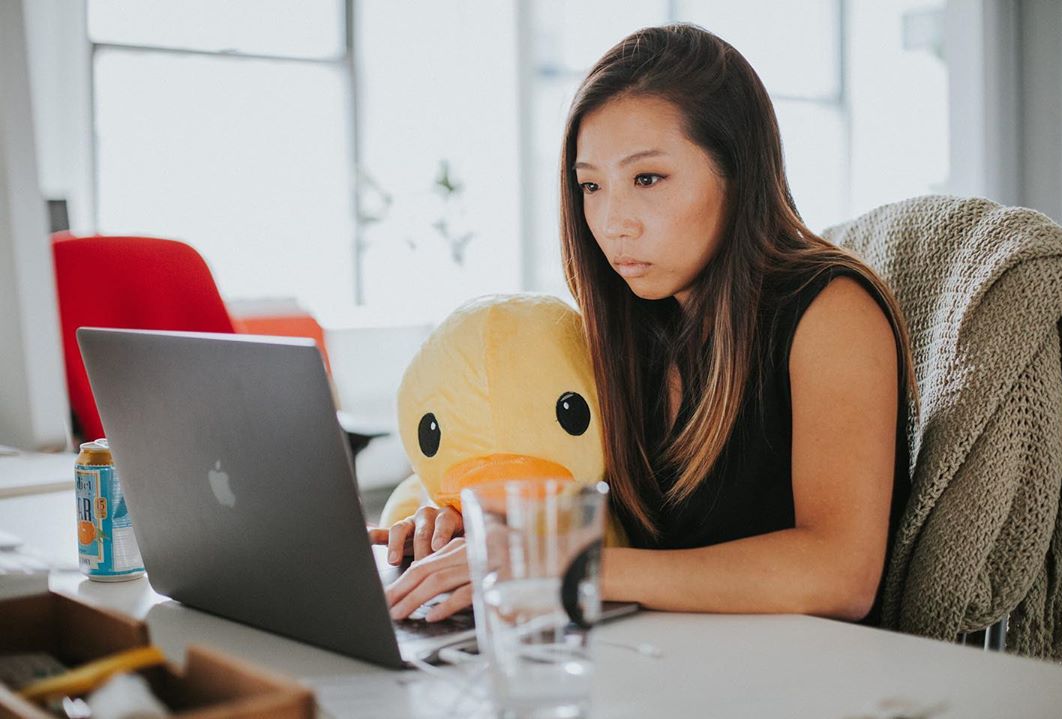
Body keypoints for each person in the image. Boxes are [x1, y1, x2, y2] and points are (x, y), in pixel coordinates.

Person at [370, 23, 916, 626]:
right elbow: (560, 486)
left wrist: (564, 564)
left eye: (647, 179)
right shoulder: (635, 324)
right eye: (591, 186)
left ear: (738, 171)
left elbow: (840, 575)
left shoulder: (831, 311)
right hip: (658, 663)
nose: (612, 222)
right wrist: (453, 519)